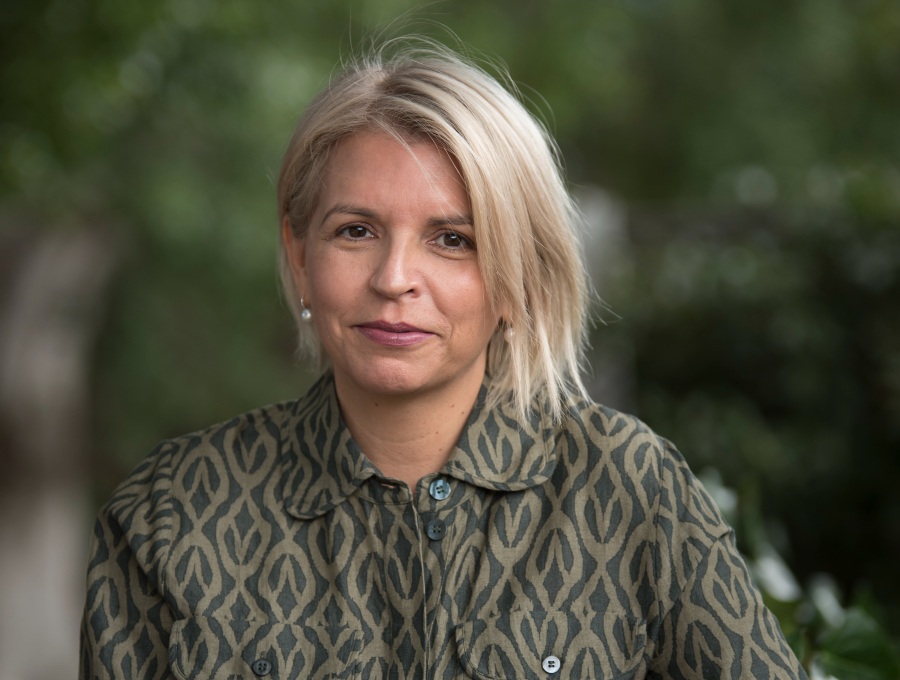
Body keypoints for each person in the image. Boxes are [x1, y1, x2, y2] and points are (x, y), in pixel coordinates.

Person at [80, 40, 807, 679]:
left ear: (520, 278)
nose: (395, 277)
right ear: (301, 256)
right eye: (356, 230)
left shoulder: (629, 492)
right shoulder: (172, 515)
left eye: (452, 239)